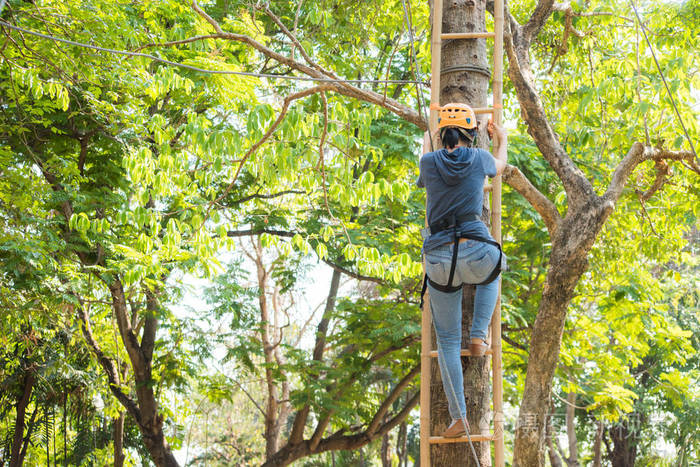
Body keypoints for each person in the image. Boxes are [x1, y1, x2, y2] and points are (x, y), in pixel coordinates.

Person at [416, 103, 507, 438]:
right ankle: (480, 334)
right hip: (476, 249)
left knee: (448, 341)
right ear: (471, 135)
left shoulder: (429, 161)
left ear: (441, 136)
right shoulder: (479, 158)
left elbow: (425, 155)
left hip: (439, 259)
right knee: (497, 264)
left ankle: (459, 417)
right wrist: (501, 139)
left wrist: (430, 132)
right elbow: (501, 165)